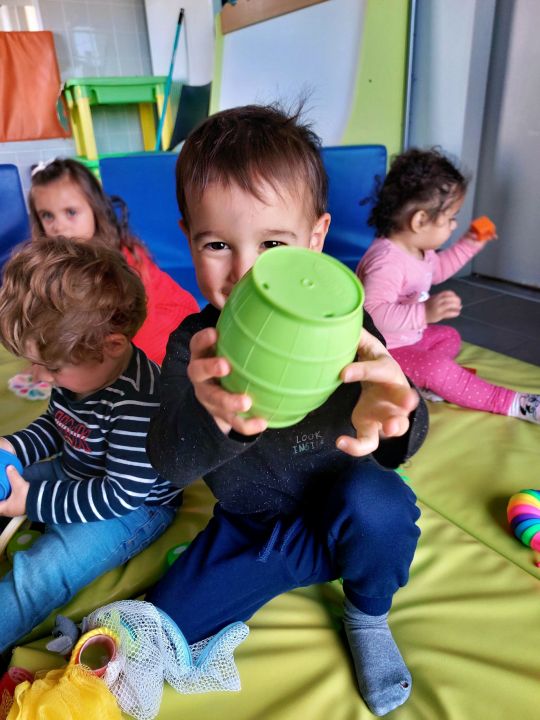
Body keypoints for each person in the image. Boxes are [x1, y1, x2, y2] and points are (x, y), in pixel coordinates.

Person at [144, 104, 429, 717]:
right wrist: (211, 418)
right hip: (252, 527)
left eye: (273, 243)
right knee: (161, 628)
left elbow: (396, 417)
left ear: (316, 239)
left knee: (381, 508)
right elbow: (167, 460)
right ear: (189, 237)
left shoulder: (346, 323)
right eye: (217, 244)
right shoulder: (196, 347)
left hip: (347, 503)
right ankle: (298, 561)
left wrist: (395, 417)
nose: (246, 271)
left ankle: (367, 613)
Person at [0, 236, 182, 657]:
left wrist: (34, 501)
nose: (39, 376)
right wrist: (15, 446)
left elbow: (121, 495)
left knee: (42, 573)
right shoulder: (79, 368)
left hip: (131, 508)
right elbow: (59, 425)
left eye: (50, 367)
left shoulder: (138, 402)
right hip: (75, 469)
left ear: (111, 345)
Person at [356, 148, 540, 424]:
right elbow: (373, 314)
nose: (454, 225)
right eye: (451, 217)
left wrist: (470, 244)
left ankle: (421, 380)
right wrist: (423, 313)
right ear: (420, 220)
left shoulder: (418, 249)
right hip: (382, 351)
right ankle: (515, 403)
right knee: (438, 368)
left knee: (449, 336)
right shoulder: (386, 262)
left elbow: (438, 269)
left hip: (409, 339)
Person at [28, 158, 199, 365]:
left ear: (95, 209)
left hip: (163, 321)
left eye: (71, 212)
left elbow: (141, 324)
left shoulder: (124, 260)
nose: (59, 227)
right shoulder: (55, 259)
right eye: (47, 216)